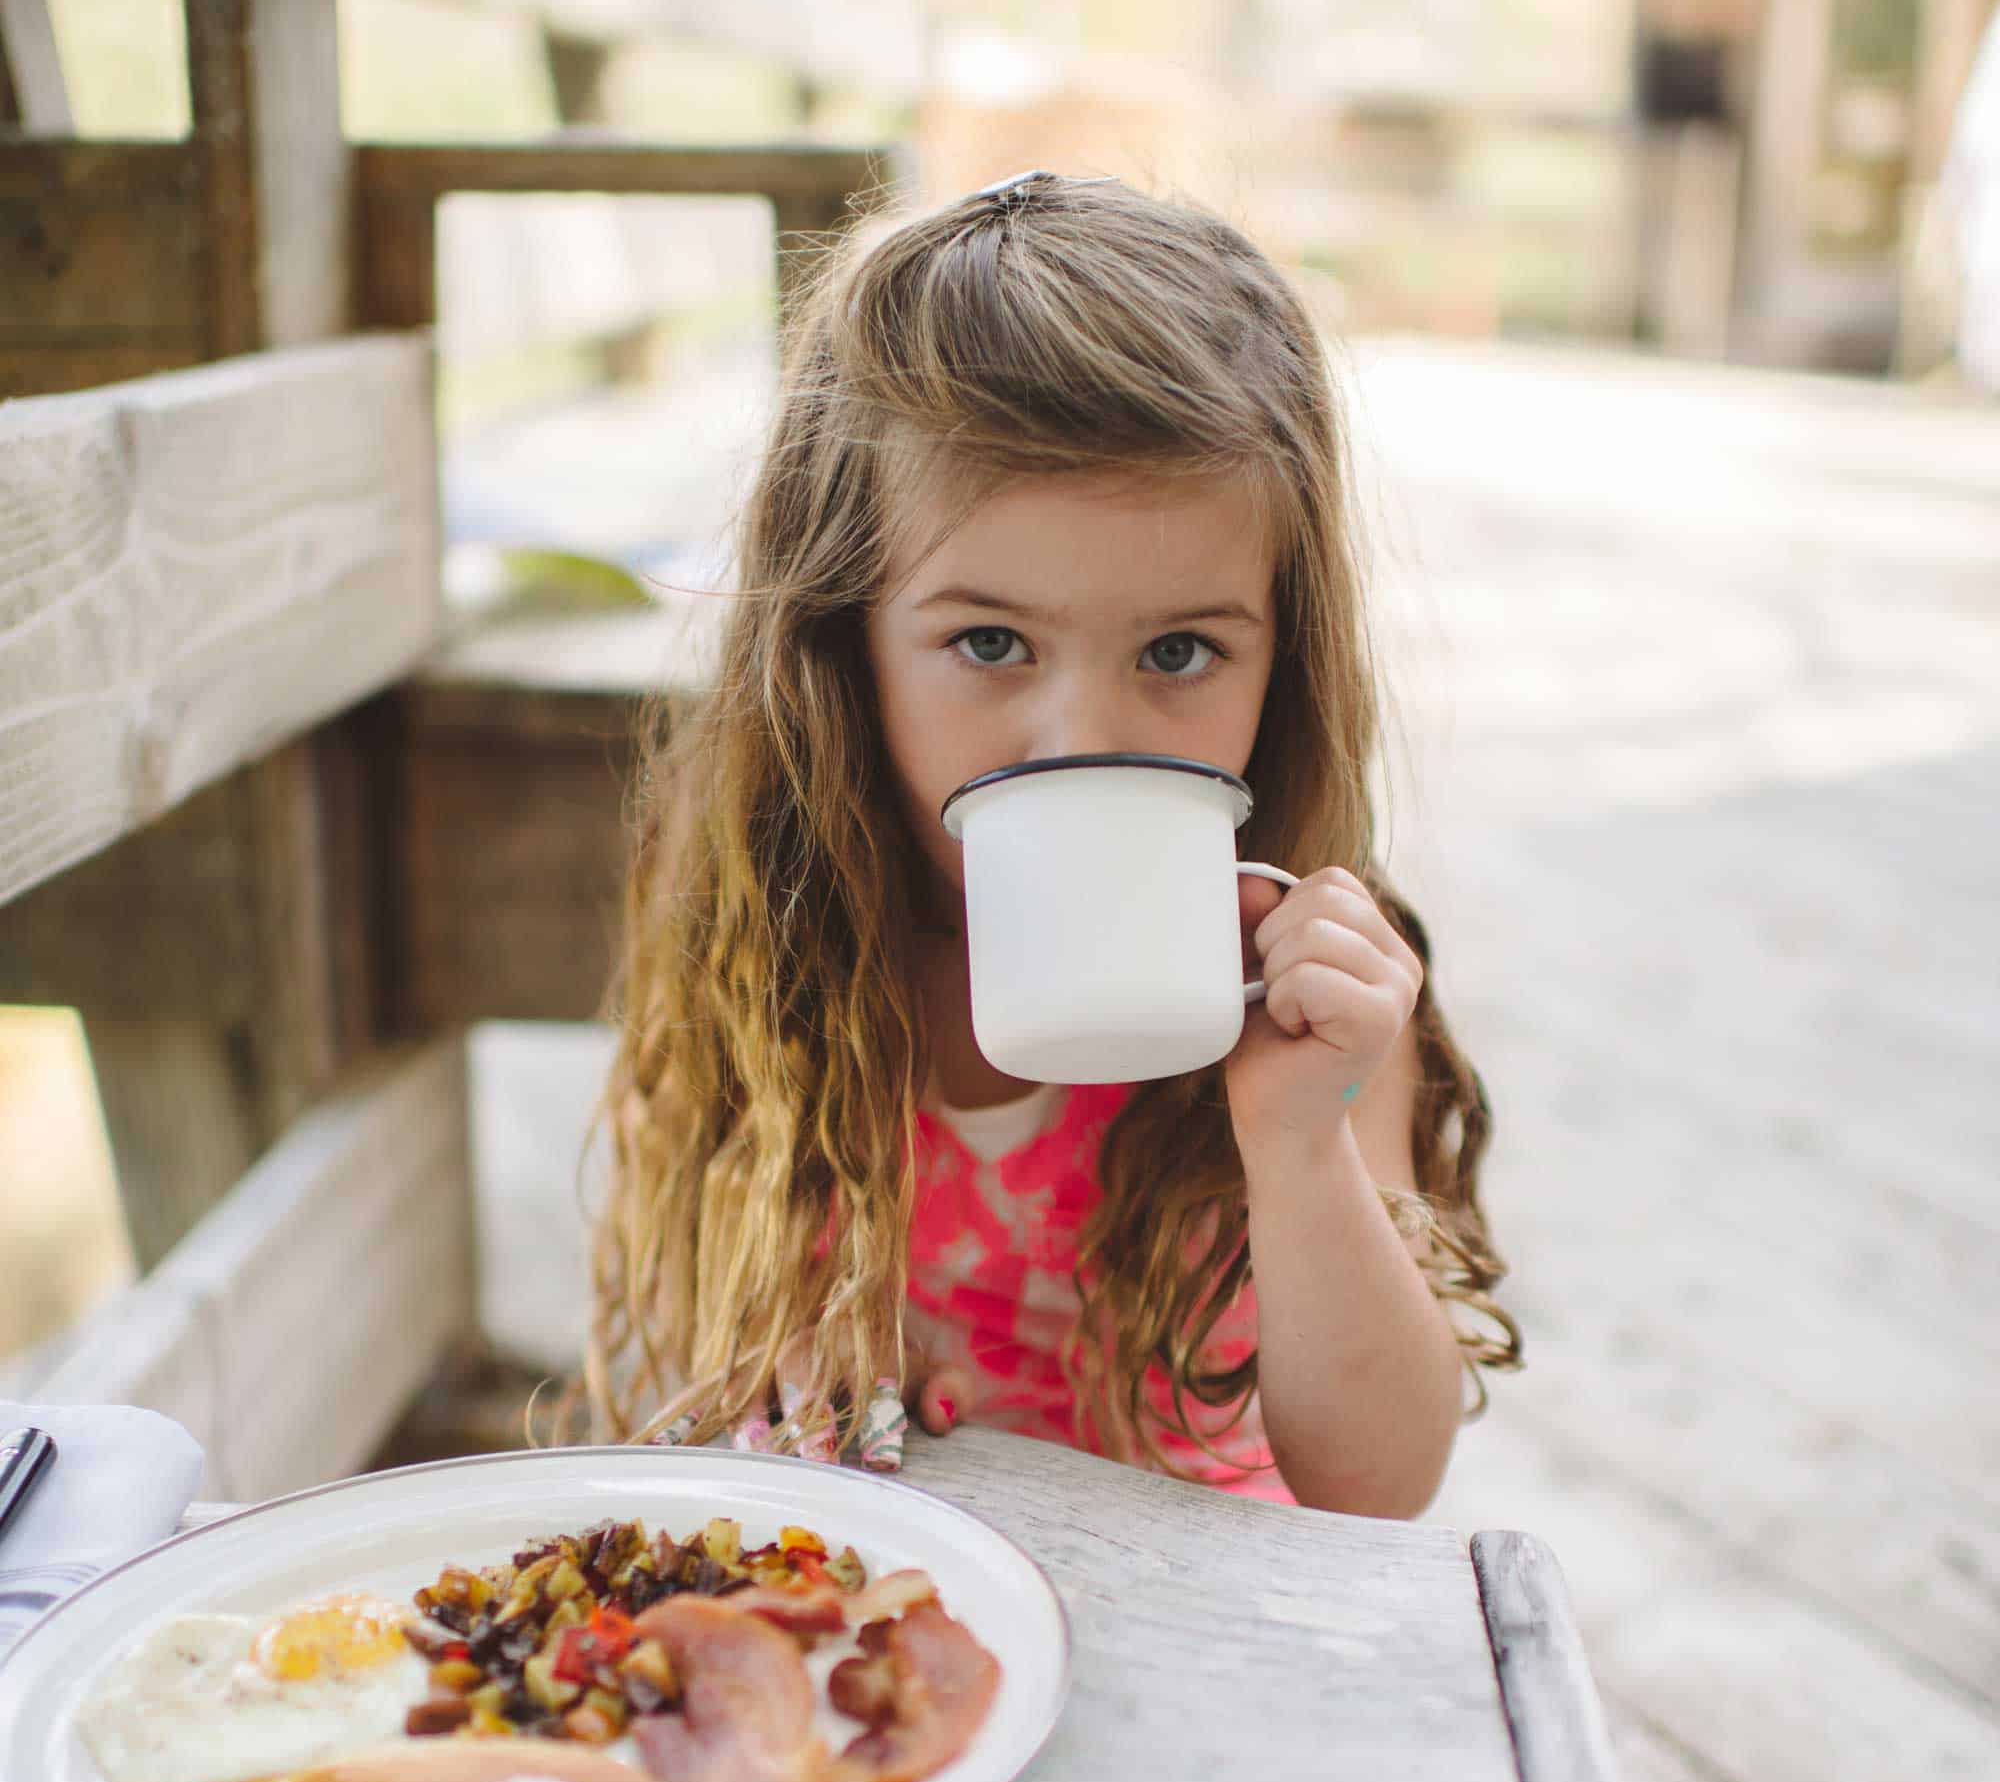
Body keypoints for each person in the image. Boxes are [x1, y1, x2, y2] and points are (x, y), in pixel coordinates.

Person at [589, 172, 1517, 1517]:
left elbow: (1379, 1485)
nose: (1083, 733)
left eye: (1180, 650)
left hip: (1216, 1634)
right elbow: (695, 1318)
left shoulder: (1317, 1005)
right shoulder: (781, 942)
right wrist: (781, 1362)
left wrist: (1300, 1141)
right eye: (990, 643)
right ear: (846, 644)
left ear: (1284, 659)